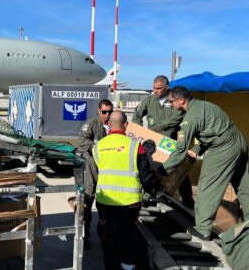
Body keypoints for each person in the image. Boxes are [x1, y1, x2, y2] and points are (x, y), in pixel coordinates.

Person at [162, 86, 249, 241]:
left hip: (223, 148)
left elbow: (180, 150)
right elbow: (214, 130)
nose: (171, 105)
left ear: (181, 100)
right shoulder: (205, 105)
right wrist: (197, 148)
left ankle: (202, 230)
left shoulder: (190, 118)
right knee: (243, 185)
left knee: (208, 185)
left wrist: (163, 169)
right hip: (240, 143)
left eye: (171, 101)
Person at [91, 110, 161, 269]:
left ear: (109, 124)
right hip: (129, 203)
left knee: (108, 236)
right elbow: (145, 176)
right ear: (126, 125)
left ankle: (110, 265)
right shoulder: (136, 146)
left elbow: (96, 172)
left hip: (105, 201)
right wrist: (157, 187)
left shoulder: (98, 147)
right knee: (127, 236)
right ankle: (128, 266)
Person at [132, 75, 194, 208]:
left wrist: (157, 127)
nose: (155, 91)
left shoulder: (174, 101)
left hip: (171, 143)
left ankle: (188, 199)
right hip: (153, 144)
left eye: (158, 88)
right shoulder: (149, 100)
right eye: (153, 88)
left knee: (179, 171)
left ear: (167, 88)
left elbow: (176, 119)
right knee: (149, 169)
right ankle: (147, 196)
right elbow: (136, 116)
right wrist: (140, 133)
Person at [78, 99, 113, 250]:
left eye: (110, 112)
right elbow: (82, 142)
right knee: (87, 206)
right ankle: (85, 237)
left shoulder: (115, 125)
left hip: (109, 173)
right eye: (104, 112)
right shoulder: (92, 125)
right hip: (93, 172)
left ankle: (106, 237)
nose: (107, 115)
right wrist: (100, 147)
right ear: (99, 111)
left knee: (106, 208)